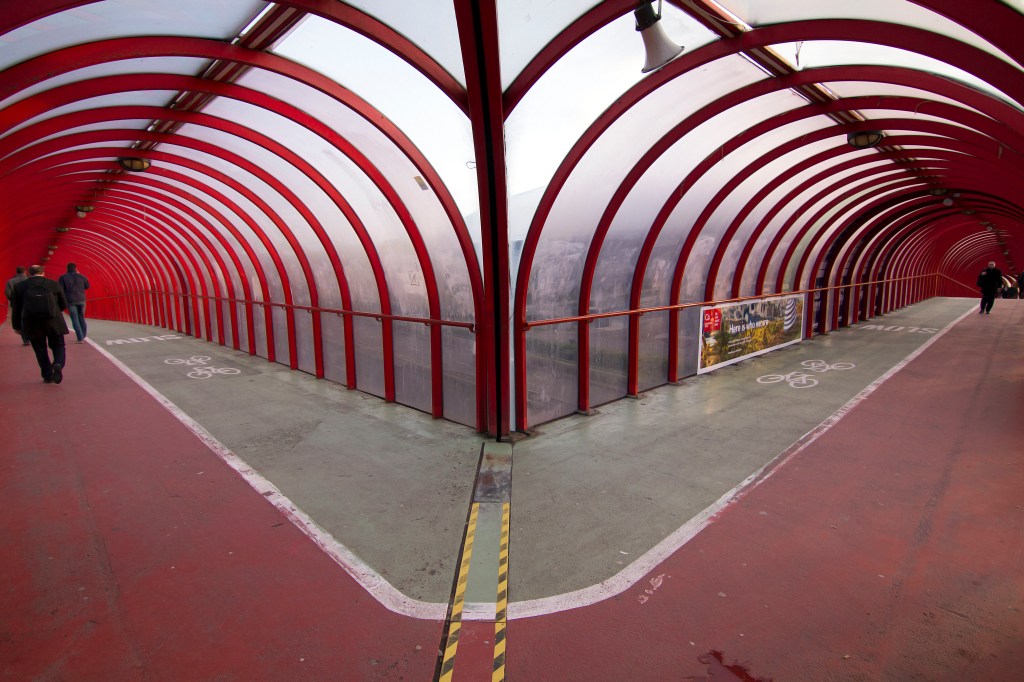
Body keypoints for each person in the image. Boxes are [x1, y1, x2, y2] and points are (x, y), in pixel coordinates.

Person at [11, 264, 69, 384]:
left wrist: (16, 326)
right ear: (43, 272)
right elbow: (63, 303)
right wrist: (55, 311)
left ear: (29, 273)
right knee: (58, 345)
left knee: (40, 349)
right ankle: (58, 363)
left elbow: (16, 308)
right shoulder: (53, 284)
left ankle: (47, 375)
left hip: (32, 323)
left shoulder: (20, 287)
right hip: (53, 321)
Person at [58, 262, 90, 343]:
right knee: (81, 317)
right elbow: (87, 286)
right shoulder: (82, 276)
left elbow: (60, 289)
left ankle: (80, 338)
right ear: (76, 268)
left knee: (75, 319)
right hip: (82, 300)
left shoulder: (63, 277)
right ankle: (83, 335)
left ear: (67, 268)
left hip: (70, 300)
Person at [5, 265, 29, 345]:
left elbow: (8, 293)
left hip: (16, 304)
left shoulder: (10, 281)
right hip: (29, 303)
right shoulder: (29, 280)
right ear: (25, 271)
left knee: (20, 320)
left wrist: (13, 299)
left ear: (16, 272)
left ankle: (25, 339)